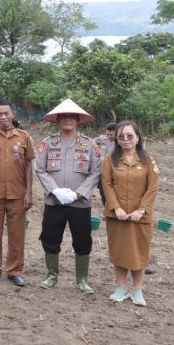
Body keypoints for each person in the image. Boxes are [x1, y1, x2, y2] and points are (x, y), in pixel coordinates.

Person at [35, 99, 102, 293]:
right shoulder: (48, 143)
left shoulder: (90, 145)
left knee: (82, 241)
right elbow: (40, 169)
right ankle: (51, 275)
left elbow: (96, 172)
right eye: (63, 116)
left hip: (79, 203)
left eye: (71, 117)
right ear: (57, 120)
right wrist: (55, 190)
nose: (67, 120)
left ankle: (81, 279)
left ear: (78, 120)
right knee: (50, 238)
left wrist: (78, 193)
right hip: (54, 202)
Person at [102, 120, 159, 306]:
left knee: (139, 252)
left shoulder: (147, 160)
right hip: (117, 216)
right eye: (121, 136)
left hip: (140, 217)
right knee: (119, 251)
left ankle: (137, 290)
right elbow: (107, 185)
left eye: (129, 136)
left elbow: (153, 187)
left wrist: (141, 210)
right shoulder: (110, 159)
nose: (125, 139)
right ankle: (120, 286)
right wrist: (116, 207)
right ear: (117, 139)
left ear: (137, 138)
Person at [0, 100, 36, 286]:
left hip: (18, 195)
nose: (3, 117)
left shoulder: (24, 137)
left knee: (17, 235)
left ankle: (14, 270)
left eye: (6, 113)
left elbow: (29, 165)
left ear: (13, 114)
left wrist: (29, 192)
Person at [95, 123, 117, 206]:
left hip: (114, 171)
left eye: (111, 135)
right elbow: (92, 143)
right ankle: (106, 209)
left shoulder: (121, 142)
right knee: (102, 191)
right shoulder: (102, 138)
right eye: (107, 134)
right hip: (102, 170)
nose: (109, 136)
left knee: (113, 192)